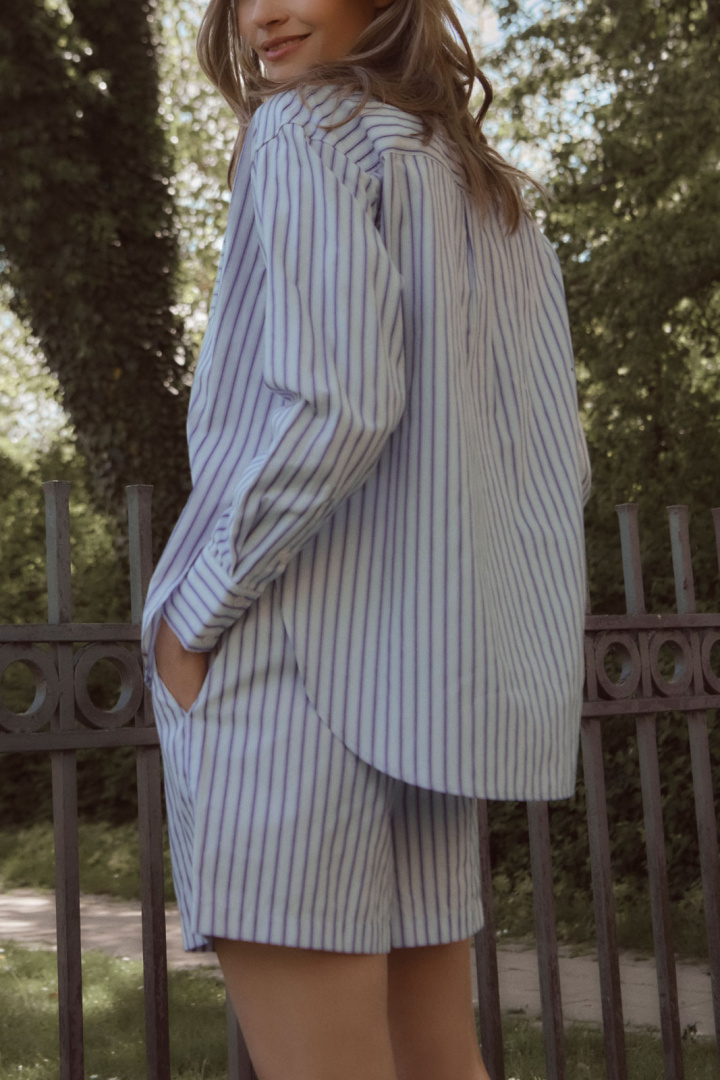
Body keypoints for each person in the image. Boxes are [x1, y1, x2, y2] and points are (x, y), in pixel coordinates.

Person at [140, 0, 592, 1074]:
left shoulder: (303, 130)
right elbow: (551, 461)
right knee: (441, 1063)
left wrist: (190, 618)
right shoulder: (477, 181)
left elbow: (337, 404)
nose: (262, 14)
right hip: (416, 693)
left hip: (288, 665)